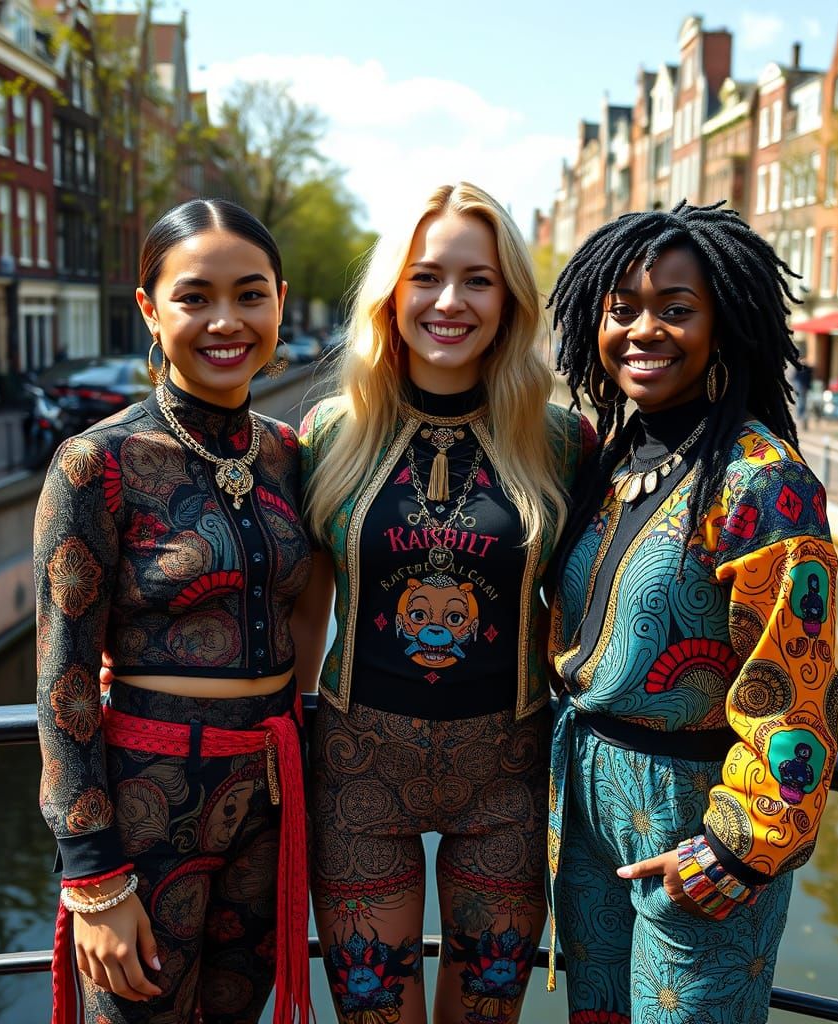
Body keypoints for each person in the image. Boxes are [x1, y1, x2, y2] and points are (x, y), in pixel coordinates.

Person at [297, 181, 593, 1024]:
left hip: (507, 775)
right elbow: (295, 593)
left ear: (510, 301)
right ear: (393, 294)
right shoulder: (330, 432)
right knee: (372, 1013)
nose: (450, 302)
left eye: (479, 279)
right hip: (359, 773)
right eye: (426, 277)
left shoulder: (564, 440)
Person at [545, 200, 838, 1023]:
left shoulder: (759, 481)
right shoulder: (604, 459)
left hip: (697, 813)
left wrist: (739, 848)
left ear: (724, 326)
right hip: (588, 804)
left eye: (676, 310)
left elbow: (798, 685)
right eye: (623, 310)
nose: (645, 331)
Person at [35, 198, 313, 1024]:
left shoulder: (285, 452)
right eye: (195, 297)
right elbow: (65, 678)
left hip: (269, 798)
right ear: (151, 310)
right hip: (149, 808)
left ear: (280, 302)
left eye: (251, 294)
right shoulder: (97, 463)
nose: (226, 320)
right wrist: (93, 876)